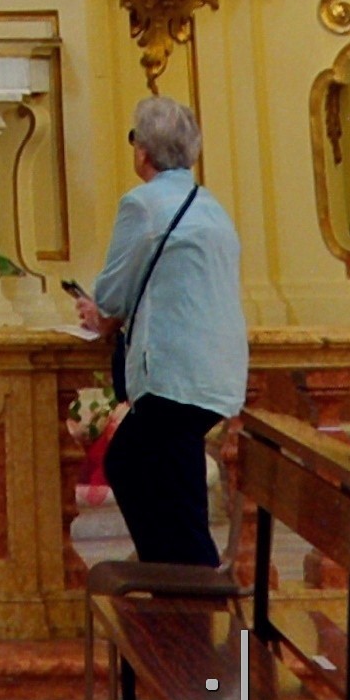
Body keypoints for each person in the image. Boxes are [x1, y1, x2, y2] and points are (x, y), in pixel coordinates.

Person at [74, 94, 246, 570]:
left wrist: (98, 312)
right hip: (217, 370)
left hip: (174, 373)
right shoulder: (211, 206)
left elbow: (111, 294)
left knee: (130, 458)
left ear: (142, 151)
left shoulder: (143, 204)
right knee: (179, 478)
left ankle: (181, 583)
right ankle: (181, 581)